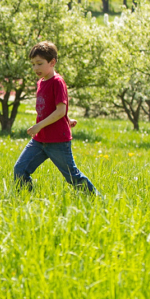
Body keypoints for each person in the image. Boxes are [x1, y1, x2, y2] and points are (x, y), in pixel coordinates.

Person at [13, 41, 98, 194]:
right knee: (20, 169)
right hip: (40, 139)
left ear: (52, 62)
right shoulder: (41, 82)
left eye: (39, 63)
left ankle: (98, 200)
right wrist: (68, 118)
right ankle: (25, 199)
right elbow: (55, 108)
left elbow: (60, 110)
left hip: (57, 140)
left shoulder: (57, 82)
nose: (35, 68)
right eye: (33, 64)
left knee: (72, 177)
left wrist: (39, 125)